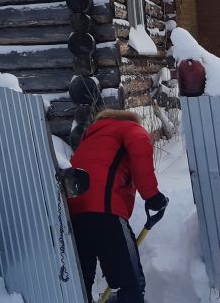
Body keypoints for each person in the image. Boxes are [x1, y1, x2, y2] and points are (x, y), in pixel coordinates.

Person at [67, 109, 168, 303]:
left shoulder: (90, 138)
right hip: (106, 212)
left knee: (81, 284)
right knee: (130, 282)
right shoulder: (131, 128)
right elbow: (141, 156)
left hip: (75, 215)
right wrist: (152, 196)